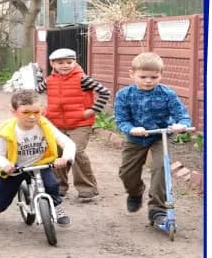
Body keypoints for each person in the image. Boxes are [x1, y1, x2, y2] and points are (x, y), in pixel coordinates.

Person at [114, 52, 191, 228]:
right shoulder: (124, 94)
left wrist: (182, 124)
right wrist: (132, 129)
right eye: (143, 77)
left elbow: (182, 115)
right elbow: (121, 120)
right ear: (132, 74)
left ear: (161, 76)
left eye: (154, 77)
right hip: (136, 138)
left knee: (161, 169)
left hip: (160, 136)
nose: (148, 81)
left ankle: (158, 209)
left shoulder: (167, 93)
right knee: (127, 173)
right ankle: (135, 192)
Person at [0, 89, 74, 226]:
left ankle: (55, 206)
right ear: (14, 112)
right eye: (26, 112)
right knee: (1, 203)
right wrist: (6, 165)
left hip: (39, 164)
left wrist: (65, 157)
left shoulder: (44, 125)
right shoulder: (7, 131)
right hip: (15, 168)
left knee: (52, 185)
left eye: (36, 112)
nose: (32, 117)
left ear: (42, 110)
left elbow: (67, 142)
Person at [35, 48, 111, 201]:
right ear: (52, 64)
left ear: (75, 62)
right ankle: (59, 187)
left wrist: (91, 111)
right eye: (60, 62)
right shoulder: (49, 80)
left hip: (80, 123)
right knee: (57, 155)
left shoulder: (83, 79)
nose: (65, 65)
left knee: (76, 152)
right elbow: (35, 92)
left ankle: (87, 189)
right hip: (56, 124)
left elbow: (104, 92)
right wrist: (41, 110)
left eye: (69, 62)